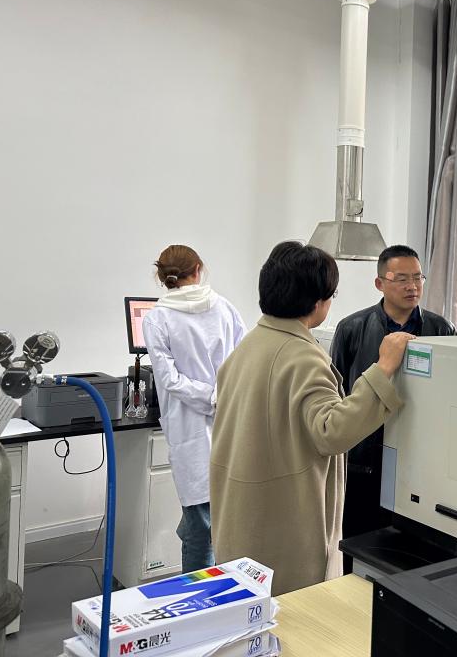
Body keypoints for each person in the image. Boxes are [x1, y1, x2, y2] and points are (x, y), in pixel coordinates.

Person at [210, 241, 415, 595]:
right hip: (283, 527)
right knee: (295, 614)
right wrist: (383, 368)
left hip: (240, 515)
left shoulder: (247, 346)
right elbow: (333, 431)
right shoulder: (302, 356)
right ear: (317, 302)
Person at [330, 245, 456, 543]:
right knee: (358, 541)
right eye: (401, 279)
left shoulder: (442, 329)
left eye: (417, 277)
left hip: (421, 454)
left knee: (412, 543)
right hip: (364, 459)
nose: (412, 286)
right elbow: (338, 394)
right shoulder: (352, 328)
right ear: (380, 283)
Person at [142, 244, 245, 574]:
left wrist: (208, 398)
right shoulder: (226, 309)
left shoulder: (157, 319)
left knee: (201, 522)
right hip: (229, 420)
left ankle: (198, 595)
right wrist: (219, 397)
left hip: (189, 426)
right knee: (216, 515)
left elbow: (169, 379)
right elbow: (244, 363)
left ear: (162, 278)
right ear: (198, 269)